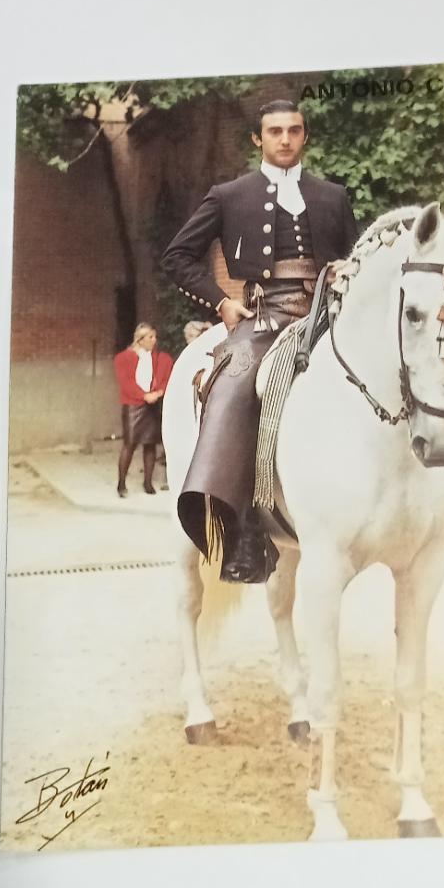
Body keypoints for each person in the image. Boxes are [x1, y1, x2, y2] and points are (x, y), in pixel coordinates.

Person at [161, 99, 359, 582]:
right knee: (233, 387)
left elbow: (357, 257)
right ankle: (241, 529)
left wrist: (350, 276)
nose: (285, 139)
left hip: (329, 316)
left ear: (304, 136)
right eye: (275, 131)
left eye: (294, 130)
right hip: (264, 317)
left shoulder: (333, 196)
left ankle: (439, 501)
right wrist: (222, 303)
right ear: (259, 139)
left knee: (405, 358)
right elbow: (178, 256)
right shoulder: (230, 195)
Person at [113, 322, 174, 498]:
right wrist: (143, 395)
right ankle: (121, 483)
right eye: (150, 337)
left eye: (155, 337)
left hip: (152, 405)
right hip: (133, 405)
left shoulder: (160, 358)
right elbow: (126, 382)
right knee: (129, 444)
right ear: (139, 340)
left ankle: (148, 482)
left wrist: (159, 392)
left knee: (150, 444)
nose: (154, 340)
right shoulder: (123, 358)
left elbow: (166, 376)